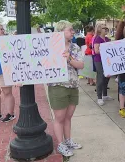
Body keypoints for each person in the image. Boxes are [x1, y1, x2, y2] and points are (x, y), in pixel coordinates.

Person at [48, 20, 84, 157]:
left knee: (68, 116)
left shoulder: (75, 47)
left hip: (73, 85)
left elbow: (80, 65)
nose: (73, 32)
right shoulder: (51, 47)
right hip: (58, 86)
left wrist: (69, 59)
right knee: (60, 118)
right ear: (61, 31)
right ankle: (61, 144)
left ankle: (68, 140)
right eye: (70, 30)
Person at [0, 24, 16, 123]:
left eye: (3, 29)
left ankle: (10, 114)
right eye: (0, 29)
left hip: (4, 72)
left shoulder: (5, 40)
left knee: (7, 92)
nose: (3, 30)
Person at [92, 24, 114, 106]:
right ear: (100, 29)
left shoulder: (107, 39)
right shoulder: (97, 39)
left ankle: (105, 95)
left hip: (107, 60)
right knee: (100, 77)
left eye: (106, 28)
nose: (106, 29)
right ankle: (99, 97)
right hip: (99, 60)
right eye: (104, 28)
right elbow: (96, 51)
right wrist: (105, 50)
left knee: (107, 77)